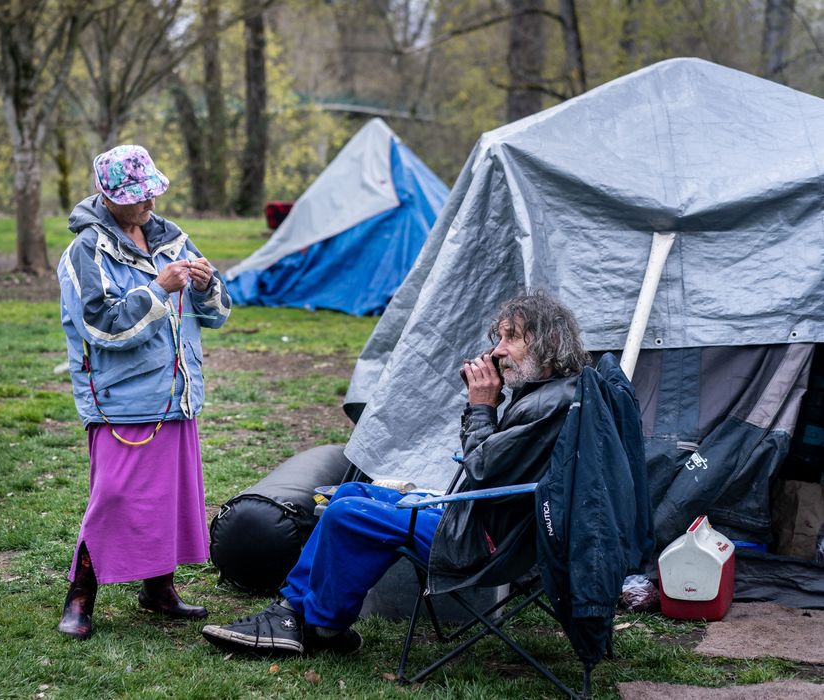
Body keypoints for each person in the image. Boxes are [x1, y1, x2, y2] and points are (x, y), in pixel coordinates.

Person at [201, 291, 589, 656]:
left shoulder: (546, 406)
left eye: (512, 337)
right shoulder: (551, 393)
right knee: (351, 493)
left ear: (550, 344)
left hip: (483, 541)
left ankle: (311, 620)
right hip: (490, 524)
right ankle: (306, 618)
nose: (498, 350)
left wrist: (482, 406)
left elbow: (483, 469)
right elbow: (495, 466)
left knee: (349, 514)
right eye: (499, 337)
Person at [55, 144, 232, 640]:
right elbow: (102, 326)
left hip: (175, 395)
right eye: (137, 196)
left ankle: (159, 590)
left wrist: (205, 285)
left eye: (151, 192)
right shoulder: (85, 251)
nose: (149, 203)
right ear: (108, 197)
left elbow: (217, 314)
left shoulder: (173, 238)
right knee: (112, 498)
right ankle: (80, 596)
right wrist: (159, 289)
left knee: (168, 498)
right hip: (121, 401)